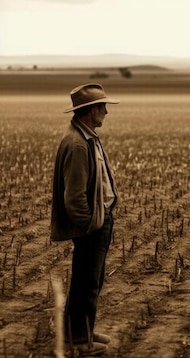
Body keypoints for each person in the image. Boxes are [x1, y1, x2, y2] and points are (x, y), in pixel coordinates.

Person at [51, 83, 120, 356]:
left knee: (88, 281)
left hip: (96, 222)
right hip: (92, 227)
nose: (106, 112)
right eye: (103, 107)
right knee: (87, 284)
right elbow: (75, 198)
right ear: (92, 110)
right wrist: (93, 224)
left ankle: (81, 331)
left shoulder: (86, 136)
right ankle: (79, 341)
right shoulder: (79, 144)